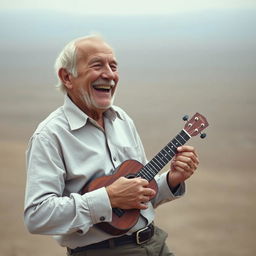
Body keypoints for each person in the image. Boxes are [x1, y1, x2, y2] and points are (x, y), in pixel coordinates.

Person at [24, 35, 199, 256]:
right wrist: (107, 199)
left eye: (113, 66)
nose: (109, 74)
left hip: (156, 244)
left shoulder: (122, 120)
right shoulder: (49, 135)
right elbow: (36, 216)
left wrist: (173, 179)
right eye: (97, 65)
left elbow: (142, 193)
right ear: (67, 77)